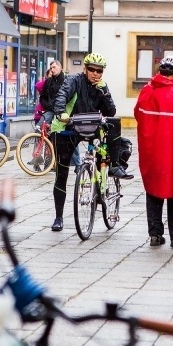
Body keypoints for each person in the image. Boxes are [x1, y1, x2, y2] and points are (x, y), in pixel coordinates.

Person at [49, 53, 132, 232]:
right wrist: (61, 112)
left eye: (99, 71)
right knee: (61, 174)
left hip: (92, 126)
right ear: (85, 69)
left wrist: (105, 92)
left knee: (115, 124)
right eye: (92, 70)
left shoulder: (101, 86)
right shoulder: (73, 81)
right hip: (67, 126)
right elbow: (62, 95)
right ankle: (58, 217)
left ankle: (113, 166)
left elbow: (110, 111)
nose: (96, 73)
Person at [134, 57, 173, 248]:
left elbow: (137, 114)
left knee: (153, 190)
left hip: (151, 150)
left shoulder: (146, 91)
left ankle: (155, 235)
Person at [39, 60, 65, 126]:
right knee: (39, 127)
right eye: (51, 68)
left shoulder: (66, 80)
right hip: (50, 111)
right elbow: (42, 97)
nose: (52, 70)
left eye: (54, 67)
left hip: (63, 112)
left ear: (60, 67)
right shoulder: (48, 81)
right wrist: (48, 105)